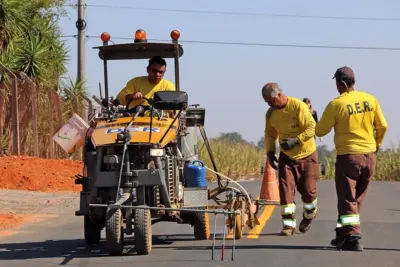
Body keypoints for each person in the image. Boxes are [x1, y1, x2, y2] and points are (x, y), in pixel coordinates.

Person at [315, 66, 388, 251]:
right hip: (370, 155)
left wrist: (314, 118)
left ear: (340, 84)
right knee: (356, 199)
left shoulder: (336, 104)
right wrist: (376, 145)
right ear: (354, 81)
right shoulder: (370, 99)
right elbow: (383, 126)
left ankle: (354, 237)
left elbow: (320, 130)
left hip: (349, 156)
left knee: (347, 199)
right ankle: (342, 235)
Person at [262, 82, 319, 236]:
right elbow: (270, 134)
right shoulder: (270, 114)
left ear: (280, 95)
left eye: (271, 101)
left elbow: (312, 128)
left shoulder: (298, 107)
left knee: (308, 192)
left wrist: (296, 140)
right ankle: (288, 225)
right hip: (286, 157)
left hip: (306, 155)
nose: (270, 105)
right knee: (285, 190)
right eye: (267, 102)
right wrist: (270, 152)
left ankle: (309, 215)